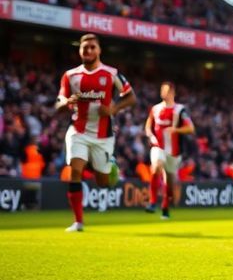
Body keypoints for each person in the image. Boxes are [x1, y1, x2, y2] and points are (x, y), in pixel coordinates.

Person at [55, 33, 136, 232]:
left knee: (103, 182)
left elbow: (131, 97)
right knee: (75, 170)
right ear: (80, 51)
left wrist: (114, 109)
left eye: (92, 47)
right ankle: (78, 222)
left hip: (103, 136)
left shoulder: (111, 73)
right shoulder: (70, 75)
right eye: (85, 48)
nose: (88, 50)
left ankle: (108, 164)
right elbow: (59, 102)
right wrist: (66, 103)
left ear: (99, 50)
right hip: (78, 130)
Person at [144, 81, 195, 219]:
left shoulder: (180, 110)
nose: (163, 93)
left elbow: (190, 128)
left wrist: (176, 129)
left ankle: (165, 207)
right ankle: (152, 202)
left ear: (172, 92)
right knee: (156, 167)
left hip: (174, 152)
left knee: (169, 183)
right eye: (162, 90)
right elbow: (148, 125)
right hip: (158, 147)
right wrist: (149, 135)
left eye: (165, 90)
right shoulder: (155, 109)